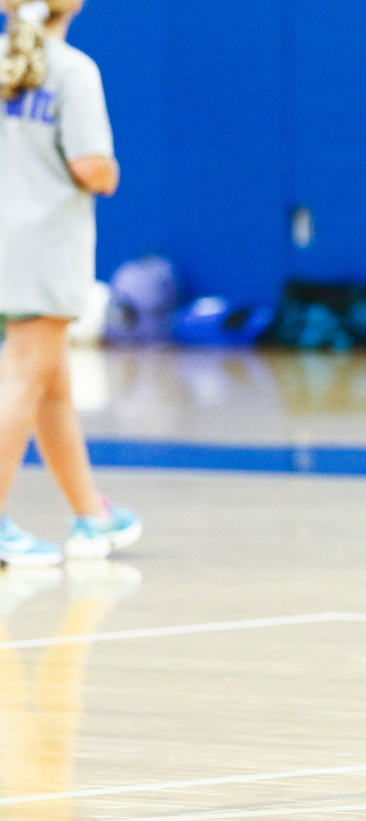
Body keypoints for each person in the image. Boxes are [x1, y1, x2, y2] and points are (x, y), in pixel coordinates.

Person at [0, 0, 142, 564]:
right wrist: (110, 172)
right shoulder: (72, 70)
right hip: (45, 244)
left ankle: (92, 517)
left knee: (50, 383)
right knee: (21, 380)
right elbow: (91, 166)